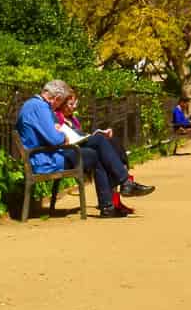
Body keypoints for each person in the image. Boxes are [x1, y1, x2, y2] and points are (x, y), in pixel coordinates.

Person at [16, 78, 153, 218]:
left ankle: (113, 200)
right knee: (98, 147)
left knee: (98, 145)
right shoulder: (40, 107)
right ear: (56, 98)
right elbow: (55, 139)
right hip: (48, 160)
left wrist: (61, 133)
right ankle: (119, 191)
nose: (57, 108)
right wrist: (63, 135)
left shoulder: (33, 105)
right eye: (61, 102)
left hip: (48, 156)